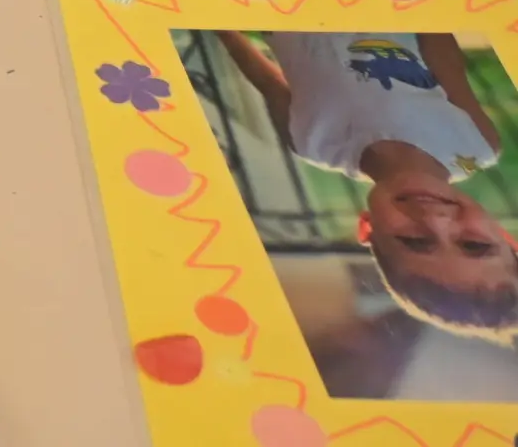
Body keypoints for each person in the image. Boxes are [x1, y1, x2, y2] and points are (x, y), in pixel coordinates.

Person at [221, 31, 518, 341]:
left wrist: (224, 29)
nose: (435, 220)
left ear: (366, 228)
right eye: (475, 245)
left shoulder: (313, 144)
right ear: (503, 235)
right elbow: (440, 46)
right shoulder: (476, 145)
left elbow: (265, 79)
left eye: (413, 240)